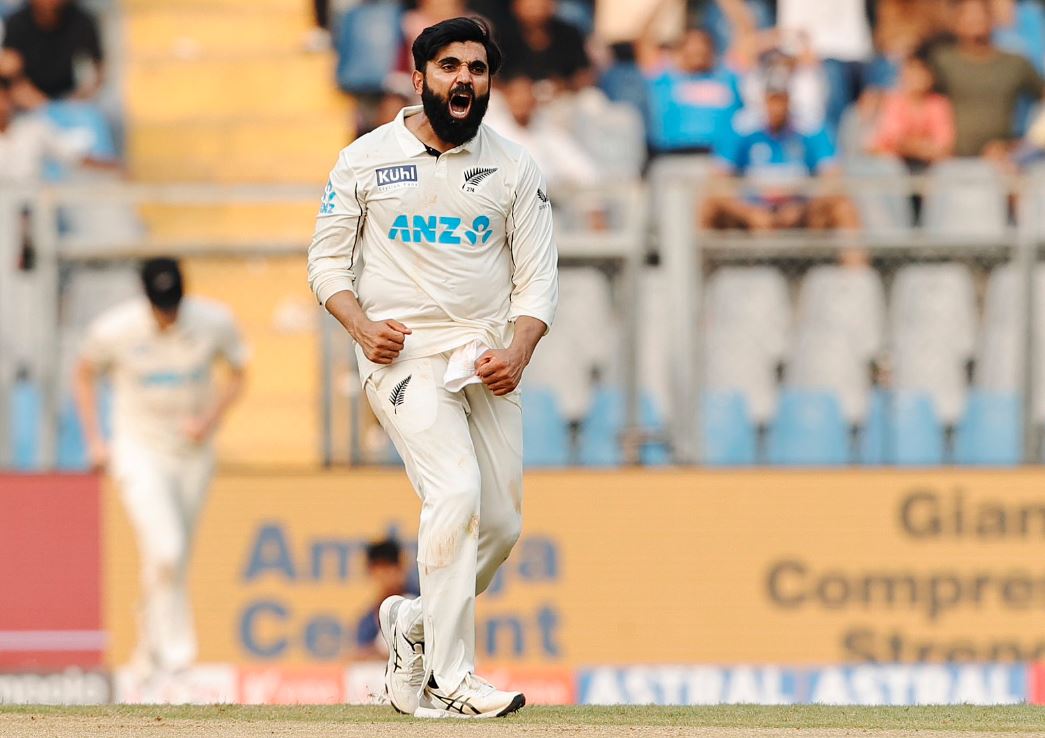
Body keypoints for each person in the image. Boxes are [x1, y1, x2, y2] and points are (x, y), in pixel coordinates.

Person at [308, 17, 557, 719]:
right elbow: (325, 264)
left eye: (477, 68)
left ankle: (411, 623)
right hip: (402, 354)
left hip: (484, 357)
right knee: (455, 491)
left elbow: (538, 282)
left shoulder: (514, 166)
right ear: (419, 78)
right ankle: (451, 679)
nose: (464, 79)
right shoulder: (364, 159)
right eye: (449, 66)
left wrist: (518, 350)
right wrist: (361, 327)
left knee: (500, 525)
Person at [73, 258, 248, 687]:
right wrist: (96, 440)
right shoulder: (115, 329)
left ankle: (147, 655)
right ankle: (177, 662)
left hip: (193, 454)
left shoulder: (214, 321)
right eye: (160, 305)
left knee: (171, 559)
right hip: (139, 448)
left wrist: (210, 420)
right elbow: (84, 372)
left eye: (173, 304)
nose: (168, 315)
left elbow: (239, 372)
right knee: (167, 549)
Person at [704, 83, 858, 232]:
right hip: (754, 206)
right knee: (709, 205)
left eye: (781, 100)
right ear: (763, 100)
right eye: (772, 100)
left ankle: (855, 251)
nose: (777, 107)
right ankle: (699, 251)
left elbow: (833, 177)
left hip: (800, 207)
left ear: (789, 100)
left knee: (843, 207)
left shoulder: (810, 128)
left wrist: (803, 208)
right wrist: (749, 212)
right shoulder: (742, 127)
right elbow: (718, 179)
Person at [930, 0, 1044, 158]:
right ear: (955, 22)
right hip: (950, 161)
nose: (976, 19)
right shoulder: (941, 61)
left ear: (993, 19)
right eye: (968, 14)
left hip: (1002, 161)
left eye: (981, 13)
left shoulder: (1015, 63)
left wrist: (1024, 144)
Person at [485, 72, 601, 188]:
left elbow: (581, 168)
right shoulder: (491, 133)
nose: (522, 100)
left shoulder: (548, 131)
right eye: (517, 95)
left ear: (534, 100)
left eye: (526, 95)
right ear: (507, 98)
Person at [644, 28, 743, 156]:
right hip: (674, 155)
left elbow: (746, 38)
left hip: (720, 157)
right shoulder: (665, 79)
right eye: (691, 48)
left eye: (702, 47)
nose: (698, 50)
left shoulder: (727, 76)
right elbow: (645, 43)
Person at [1, 0, 104, 107]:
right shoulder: (16, 23)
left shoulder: (82, 21)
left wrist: (81, 97)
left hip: (68, 96)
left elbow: (99, 68)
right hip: (28, 98)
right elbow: (9, 68)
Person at [868, 54, 955, 170]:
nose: (916, 78)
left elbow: (944, 144)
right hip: (893, 165)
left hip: (929, 165)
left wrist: (916, 148)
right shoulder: (894, 101)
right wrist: (920, 147)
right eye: (911, 73)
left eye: (921, 73)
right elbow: (893, 140)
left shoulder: (938, 104)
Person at [496, 0, 592, 90]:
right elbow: (493, 75)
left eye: (541, 4)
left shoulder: (569, 33)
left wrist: (565, 85)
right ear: (516, 6)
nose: (536, 11)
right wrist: (510, 89)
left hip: (562, 94)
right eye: (531, 6)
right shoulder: (503, 35)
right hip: (513, 95)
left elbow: (584, 73)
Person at [354, 538, 421, 659]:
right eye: (380, 568)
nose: (386, 575)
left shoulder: (418, 603)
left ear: (401, 566)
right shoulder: (368, 620)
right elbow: (362, 656)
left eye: (390, 566)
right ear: (372, 571)